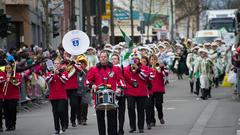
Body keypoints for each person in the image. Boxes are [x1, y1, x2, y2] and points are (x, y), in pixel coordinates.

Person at [85, 50, 124, 135]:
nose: (103, 58)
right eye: (101, 57)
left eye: (105, 57)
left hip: (112, 96)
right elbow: (87, 81)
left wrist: (119, 88)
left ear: (107, 58)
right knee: (100, 119)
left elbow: (121, 80)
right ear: (99, 58)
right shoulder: (93, 69)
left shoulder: (115, 68)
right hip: (99, 97)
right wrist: (92, 85)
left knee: (112, 119)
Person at [123, 50, 149, 133]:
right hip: (130, 91)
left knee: (141, 109)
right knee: (130, 107)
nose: (135, 60)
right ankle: (132, 126)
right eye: (133, 59)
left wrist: (138, 70)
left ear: (139, 60)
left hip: (141, 92)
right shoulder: (126, 69)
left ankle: (140, 127)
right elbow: (124, 79)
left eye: (136, 59)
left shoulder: (144, 68)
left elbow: (146, 77)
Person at [45, 57, 68, 134]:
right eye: (55, 63)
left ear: (60, 65)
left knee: (61, 110)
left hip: (62, 95)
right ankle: (57, 129)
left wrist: (58, 74)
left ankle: (63, 124)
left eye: (58, 63)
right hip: (53, 96)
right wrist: (52, 74)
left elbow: (64, 81)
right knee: (55, 112)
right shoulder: (50, 73)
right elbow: (48, 81)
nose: (56, 65)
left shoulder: (64, 72)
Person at [1, 62, 21, 131]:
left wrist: (11, 80)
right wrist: (4, 80)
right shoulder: (2, 74)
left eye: (9, 68)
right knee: (6, 111)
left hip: (14, 95)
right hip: (5, 95)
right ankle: (8, 125)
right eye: (6, 68)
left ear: (12, 68)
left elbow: (18, 83)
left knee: (12, 109)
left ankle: (13, 124)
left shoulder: (16, 74)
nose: (8, 70)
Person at [63, 51, 79, 128]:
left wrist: (72, 62)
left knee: (74, 104)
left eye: (66, 54)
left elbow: (79, 69)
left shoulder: (74, 63)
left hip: (73, 87)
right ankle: (65, 122)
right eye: (64, 54)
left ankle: (73, 120)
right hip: (63, 88)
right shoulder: (61, 63)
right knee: (64, 106)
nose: (64, 56)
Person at [149, 54, 166, 126]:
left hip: (159, 89)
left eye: (154, 59)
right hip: (150, 90)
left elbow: (164, 74)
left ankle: (160, 116)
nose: (153, 61)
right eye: (151, 60)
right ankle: (152, 120)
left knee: (158, 104)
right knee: (150, 105)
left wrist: (159, 68)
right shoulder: (148, 69)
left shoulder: (159, 68)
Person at [111, 53, 126, 135]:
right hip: (113, 93)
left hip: (121, 93)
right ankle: (114, 129)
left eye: (115, 59)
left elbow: (125, 79)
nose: (113, 60)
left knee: (121, 112)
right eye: (112, 59)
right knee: (113, 112)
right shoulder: (109, 68)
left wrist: (121, 87)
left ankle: (121, 129)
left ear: (118, 60)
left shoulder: (122, 67)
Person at [75, 55, 89, 126]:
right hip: (76, 90)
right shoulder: (75, 71)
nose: (81, 65)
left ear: (85, 64)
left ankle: (84, 119)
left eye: (82, 64)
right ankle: (79, 118)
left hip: (85, 90)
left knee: (84, 104)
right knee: (77, 105)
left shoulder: (86, 71)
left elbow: (89, 80)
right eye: (79, 64)